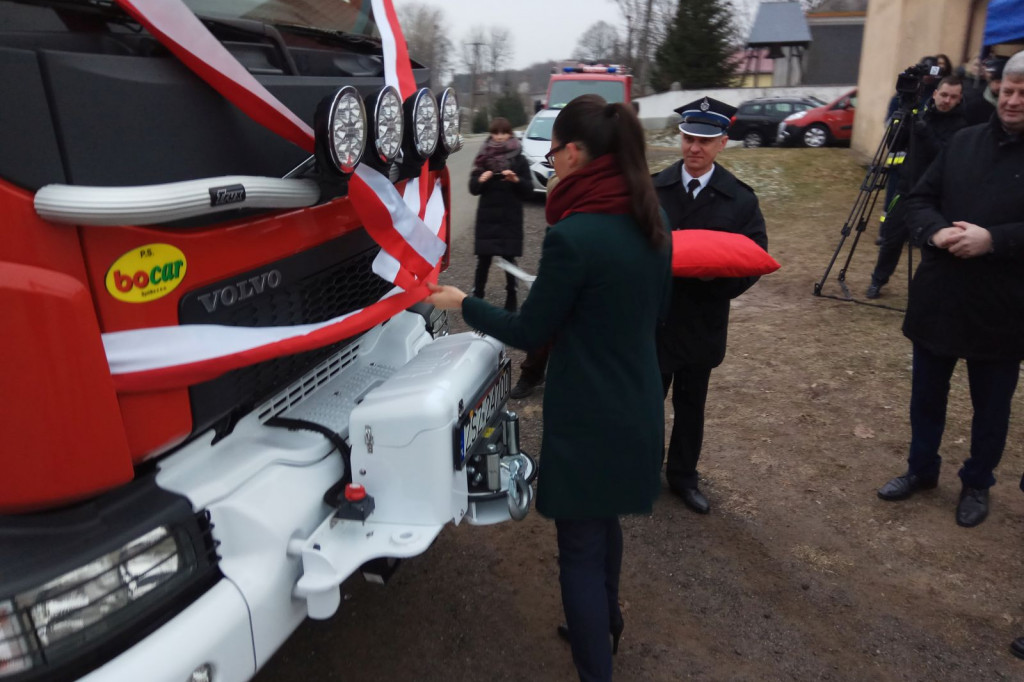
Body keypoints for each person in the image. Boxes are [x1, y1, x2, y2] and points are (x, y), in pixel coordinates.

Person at [427, 94, 671, 682]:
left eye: (556, 149)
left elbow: (530, 329)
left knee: (580, 550)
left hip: (588, 414)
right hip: (637, 403)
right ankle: (604, 623)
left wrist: (465, 302)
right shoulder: (652, 222)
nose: (552, 160)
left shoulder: (575, 236)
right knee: (603, 523)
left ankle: (596, 663)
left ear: (578, 153)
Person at [876, 50, 1024, 530]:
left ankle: (977, 481)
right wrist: (937, 232)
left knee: (991, 407)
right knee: (926, 397)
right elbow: (918, 198)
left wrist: (993, 239)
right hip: (941, 297)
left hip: (1002, 307)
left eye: (1023, 94)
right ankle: (921, 469)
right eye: (1007, 91)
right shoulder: (963, 142)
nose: (1013, 101)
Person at [652, 97, 768, 514]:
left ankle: (683, 477)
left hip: (703, 320)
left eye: (704, 141)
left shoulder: (739, 200)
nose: (693, 149)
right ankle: (644, 470)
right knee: (648, 401)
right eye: (687, 138)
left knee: (690, 406)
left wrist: (718, 282)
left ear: (723, 142)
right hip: (655, 320)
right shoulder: (653, 189)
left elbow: (755, 259)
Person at [866, 75, 967, 299]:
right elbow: (896, 145)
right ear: (935, 94)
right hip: (907, 188)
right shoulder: (921, 115)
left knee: (933, 246)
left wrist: (924, 132)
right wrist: (899, 124)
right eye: (943, 95)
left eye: (953, 97)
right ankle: (878, 280)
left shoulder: (961, 127)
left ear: (959, 99)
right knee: (891, 240)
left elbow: (945, 156)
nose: (946, 100)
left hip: (938, 195)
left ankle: (931, 290)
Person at [469, 116, 532, 312]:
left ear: (510, 134)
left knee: (508, 259)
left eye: (503, 132)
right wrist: (481, 179)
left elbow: (528, 190)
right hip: (488, 217)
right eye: (495, 133)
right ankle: (477, 295)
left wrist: (515, 180)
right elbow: (473, 188)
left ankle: (512, 296)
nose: (499, 137)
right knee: (483, 259)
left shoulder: (519, 159)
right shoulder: (483, 158)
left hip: (509, 216)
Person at [962, 55, 1006, 126]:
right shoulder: (976, 104)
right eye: (997, 81)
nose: (1001, 86)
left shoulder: (1012, 103)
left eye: (1003, 82)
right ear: (990, 82)